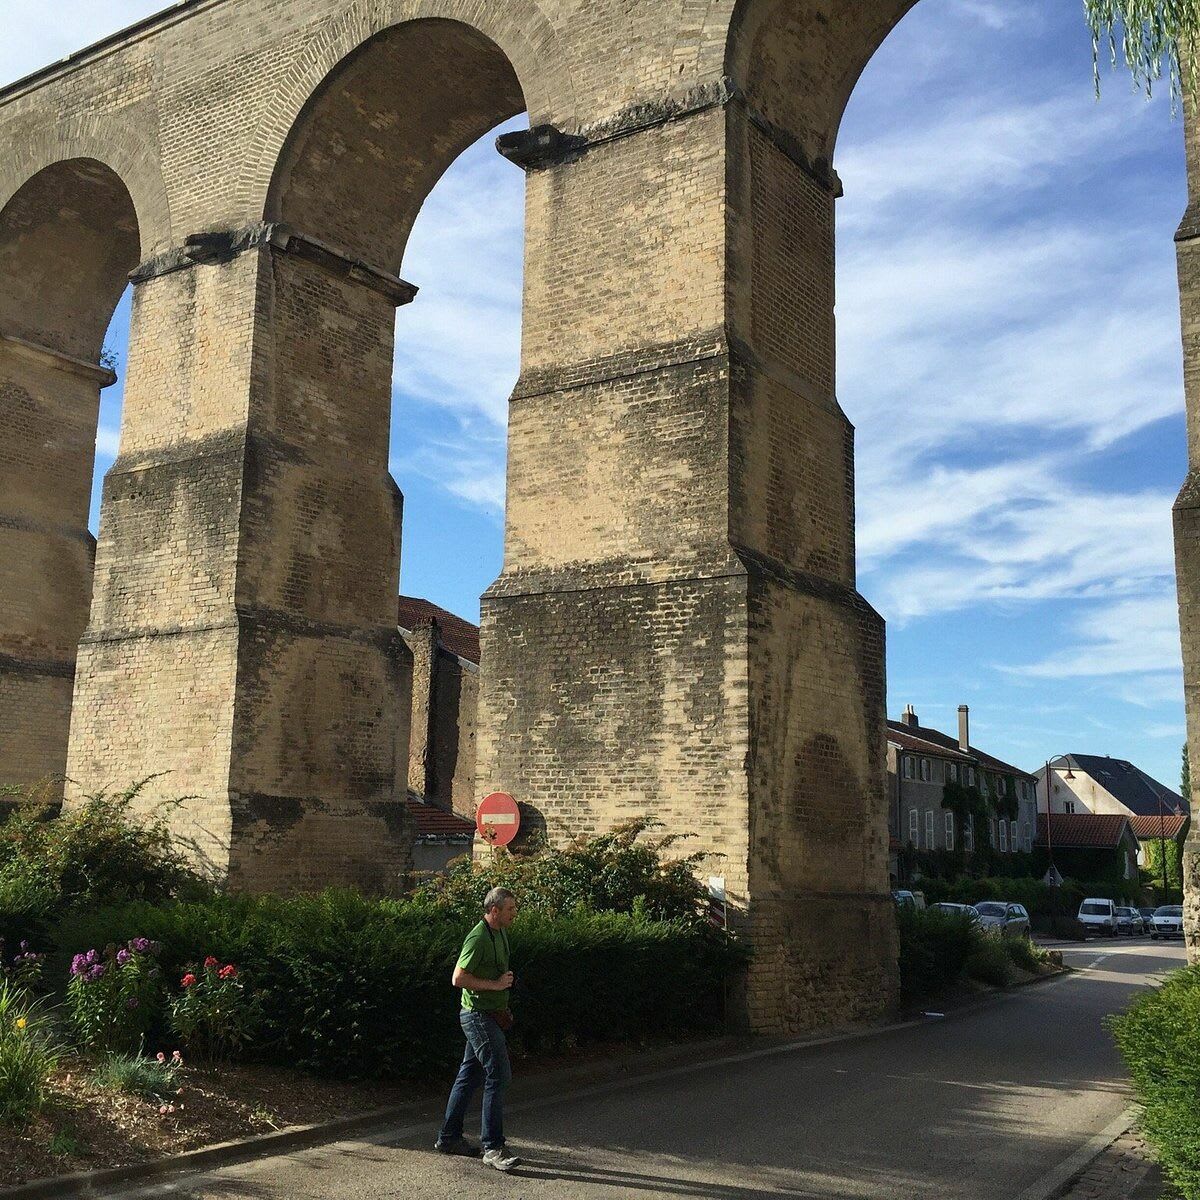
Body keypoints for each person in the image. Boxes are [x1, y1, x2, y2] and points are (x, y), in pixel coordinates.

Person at [435, 886, 520, 1172]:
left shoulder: (500, 932)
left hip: (490, 1014)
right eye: (510, 909)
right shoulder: (478, 937)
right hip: (477, 1016)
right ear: (494, 910)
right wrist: (495, 985)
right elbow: (458, 978)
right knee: (499, 1075)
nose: (514, 913)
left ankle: (449, 1138)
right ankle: (493, 1147)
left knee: (469, 1075)